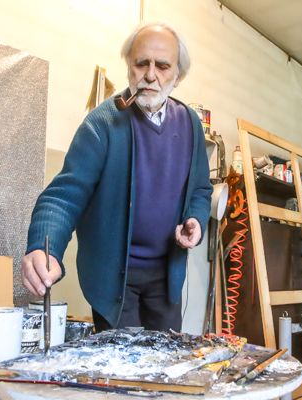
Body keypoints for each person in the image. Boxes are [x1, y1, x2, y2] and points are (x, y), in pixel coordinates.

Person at [21, 21, 212, 333]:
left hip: (167, 277)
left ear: (178, 76)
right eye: (142, 63)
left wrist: (195, 220)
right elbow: (64, 196)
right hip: (115, 279)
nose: (151, 75)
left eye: (163, 66)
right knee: (122, 372)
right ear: (128, 66)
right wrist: (45, 247)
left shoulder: (190, 123)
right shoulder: (103, 123)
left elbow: (201, 191)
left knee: (166, 369)